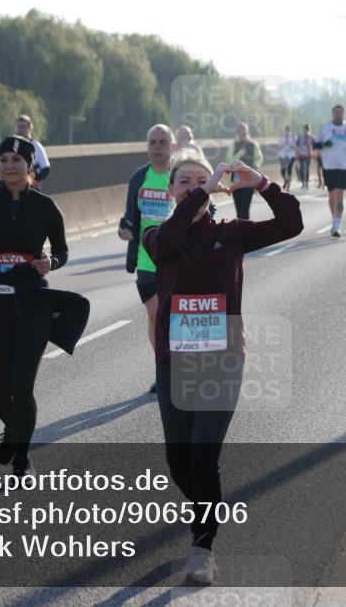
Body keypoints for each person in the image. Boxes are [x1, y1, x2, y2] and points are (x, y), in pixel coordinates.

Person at [143, 148, 302, 584]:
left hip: (223, 361)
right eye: (185, 182)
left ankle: (203, 549)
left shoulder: (231, 234)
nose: (196, 188)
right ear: (171, 191)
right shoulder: (158, 235)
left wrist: (262, 184)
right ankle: (207, 509)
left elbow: (291, 224)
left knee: (202, 454)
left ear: (216, 193)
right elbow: (167, 244)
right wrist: (203, 193)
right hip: (174, 362)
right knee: (179, 460)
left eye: (203, 181)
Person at [0, 135, 87, 476]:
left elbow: (61, 250)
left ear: (29, 167)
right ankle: (14, 428)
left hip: (33, 303)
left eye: (16, 160)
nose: (9, 166)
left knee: (22, 386)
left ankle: (22, 456)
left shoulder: (46, 207)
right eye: (3, 160)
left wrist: (51, 263)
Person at [120, 124, 178, 394]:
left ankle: (181, 366)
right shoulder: (139, 177)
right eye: (152, 142)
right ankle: (163, 370)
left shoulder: (180, 175)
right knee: (155, 315)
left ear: (173, 146)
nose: (157, 146)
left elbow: (207, 208)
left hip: (177, 258)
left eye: (162, 142)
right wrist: (124, 230)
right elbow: (129, 217)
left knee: (175, 316)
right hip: (146, 258)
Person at [317, 105, 346, 236]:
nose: (338, 114)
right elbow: (315, 144)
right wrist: (324, 144)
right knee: (332, 196)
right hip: (328, 166)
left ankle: (337, 226)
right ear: (332, 113)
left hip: (344, 166)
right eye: (336, 112)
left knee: (340, 196)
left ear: (344, 114)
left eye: (340, 112)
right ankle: (334, 219)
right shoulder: (325, 128)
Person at [226, 122, 264, 219]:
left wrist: (257, 164)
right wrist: (240, 153)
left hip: (249, 179)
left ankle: (246, 228)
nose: (243, 132)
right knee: (239, 211)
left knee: (245, 210)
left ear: (248, 131)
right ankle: (240, 228)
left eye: (245, 130)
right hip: (236, 179)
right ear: (237, 132)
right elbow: (229, 160)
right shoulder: (233, 144)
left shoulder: (253, 144)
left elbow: (259, 157)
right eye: (241, 130)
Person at [15, 115, 51, 189]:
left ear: (30, 128)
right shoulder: (13, 146)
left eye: (23, 126)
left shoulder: (36, 146)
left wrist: (36, 180)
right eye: (19, 126)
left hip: (31, 189)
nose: (21, 129)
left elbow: (46, 169)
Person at [277, 125, 298, 191]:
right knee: (282, 170)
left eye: (288, 131)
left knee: (289, 169)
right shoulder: (281, 137)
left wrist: (290, 145)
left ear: (290, 131)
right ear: (285, 131)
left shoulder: (293, 137)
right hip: (283, 155)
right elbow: (279, 147)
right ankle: (285, 180)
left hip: (291, 155)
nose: (287, 132)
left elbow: (295, 147)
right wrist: (284, 144)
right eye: (286, 131)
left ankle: (288, 185)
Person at [296, 124, 313, 190]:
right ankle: (303, 183)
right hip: (301, 154)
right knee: (302, 169)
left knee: (307, 169)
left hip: (308, 154)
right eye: (303, 129)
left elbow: (313, 146)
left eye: (305, 129)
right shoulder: (300, 136)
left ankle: (307, 183)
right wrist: (297, 153)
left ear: (308, 130)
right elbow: (297, 145)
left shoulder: (311, 137)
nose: (303, 130)